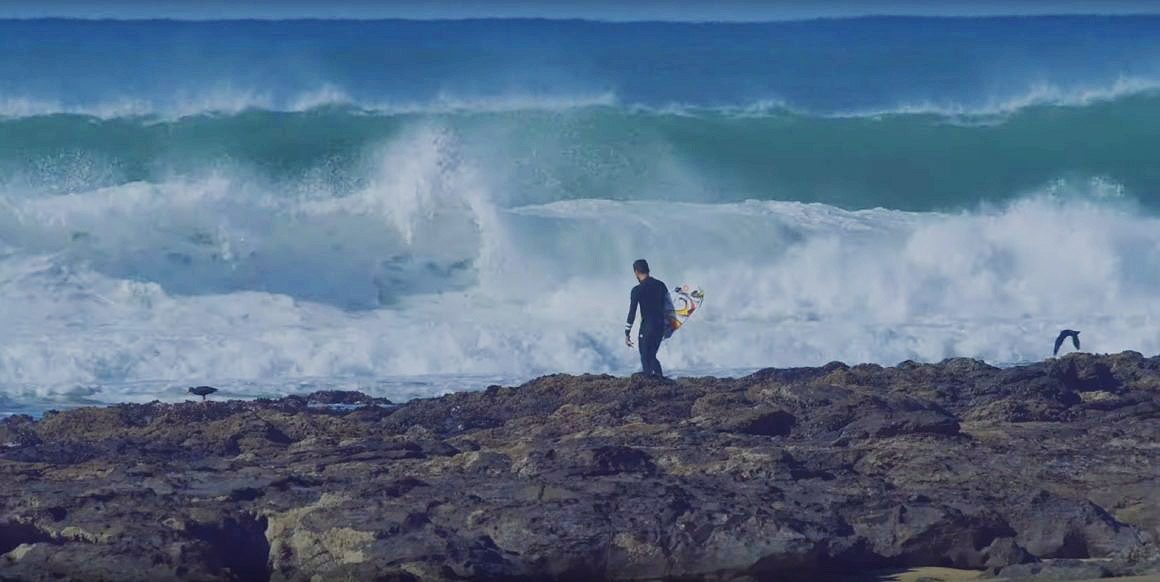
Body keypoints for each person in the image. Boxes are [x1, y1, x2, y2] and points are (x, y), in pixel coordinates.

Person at [625, 259, 669, 377]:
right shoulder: (661, 285)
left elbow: (632, 313)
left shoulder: (637, 290)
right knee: (651, 355)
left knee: (645, 356)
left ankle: (651, 380)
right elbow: (668, 306)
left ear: (636, 272)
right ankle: (659, 378)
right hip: (660, 326)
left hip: (647, 327)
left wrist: (627, 332)